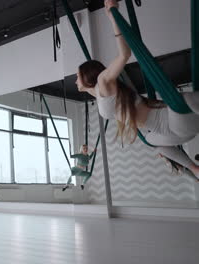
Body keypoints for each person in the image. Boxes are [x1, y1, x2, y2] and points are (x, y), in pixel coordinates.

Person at [75, 0, 199, 180]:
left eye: (77, 76)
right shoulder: (99, 94)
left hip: (176, 127)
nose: (75, 80)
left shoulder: (103, 81)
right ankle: (194, 168)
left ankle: (194, 168)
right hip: (172, 131)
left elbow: (125, 54)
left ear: (87, 77)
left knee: (181, 103)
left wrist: (113, 16)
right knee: (151, 139)